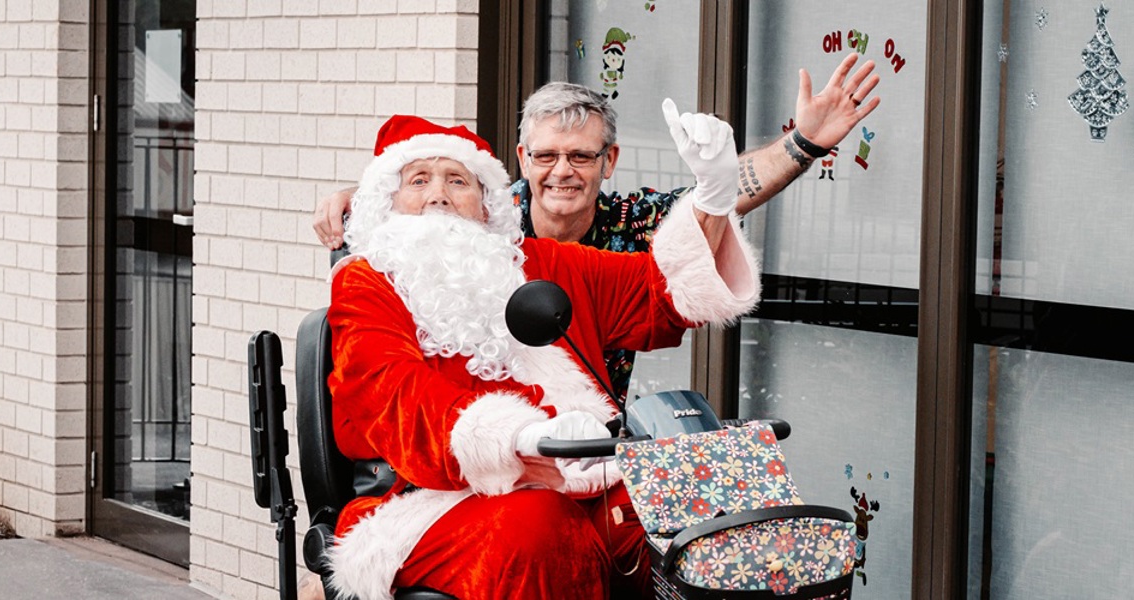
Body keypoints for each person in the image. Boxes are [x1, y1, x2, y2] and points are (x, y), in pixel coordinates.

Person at [321, 102, 759, 600]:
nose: (439, 195)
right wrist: (518, 436)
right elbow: (390, 393)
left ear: (486, 204)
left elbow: (660, 291)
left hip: (582, 475)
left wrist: (713, 196)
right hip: (430, 499)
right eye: (418, 180)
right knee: (540, 527)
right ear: (388, 201)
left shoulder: (541, 263)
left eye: (458, 181)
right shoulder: (366, 283)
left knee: (694, 502)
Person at [313, 53, 883, 397]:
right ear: (522, 159)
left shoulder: (633, 222)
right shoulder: (488, 220)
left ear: (608, 161)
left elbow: (716, 202)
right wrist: (360, 196)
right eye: (546, 156)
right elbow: (425, 220)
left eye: (581, 157)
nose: (562, 171)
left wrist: (803, 142)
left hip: (589, 442)